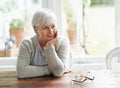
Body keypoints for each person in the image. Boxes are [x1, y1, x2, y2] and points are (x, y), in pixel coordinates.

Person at [16, 8, 72, 78]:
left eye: (53, 26)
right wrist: (49, 69)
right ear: (36, 29)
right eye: (45, 27)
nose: (51, 31)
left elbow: (58, 72)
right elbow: (21, 72)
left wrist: (49, 47)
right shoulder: (27, 44)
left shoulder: (62, 42)